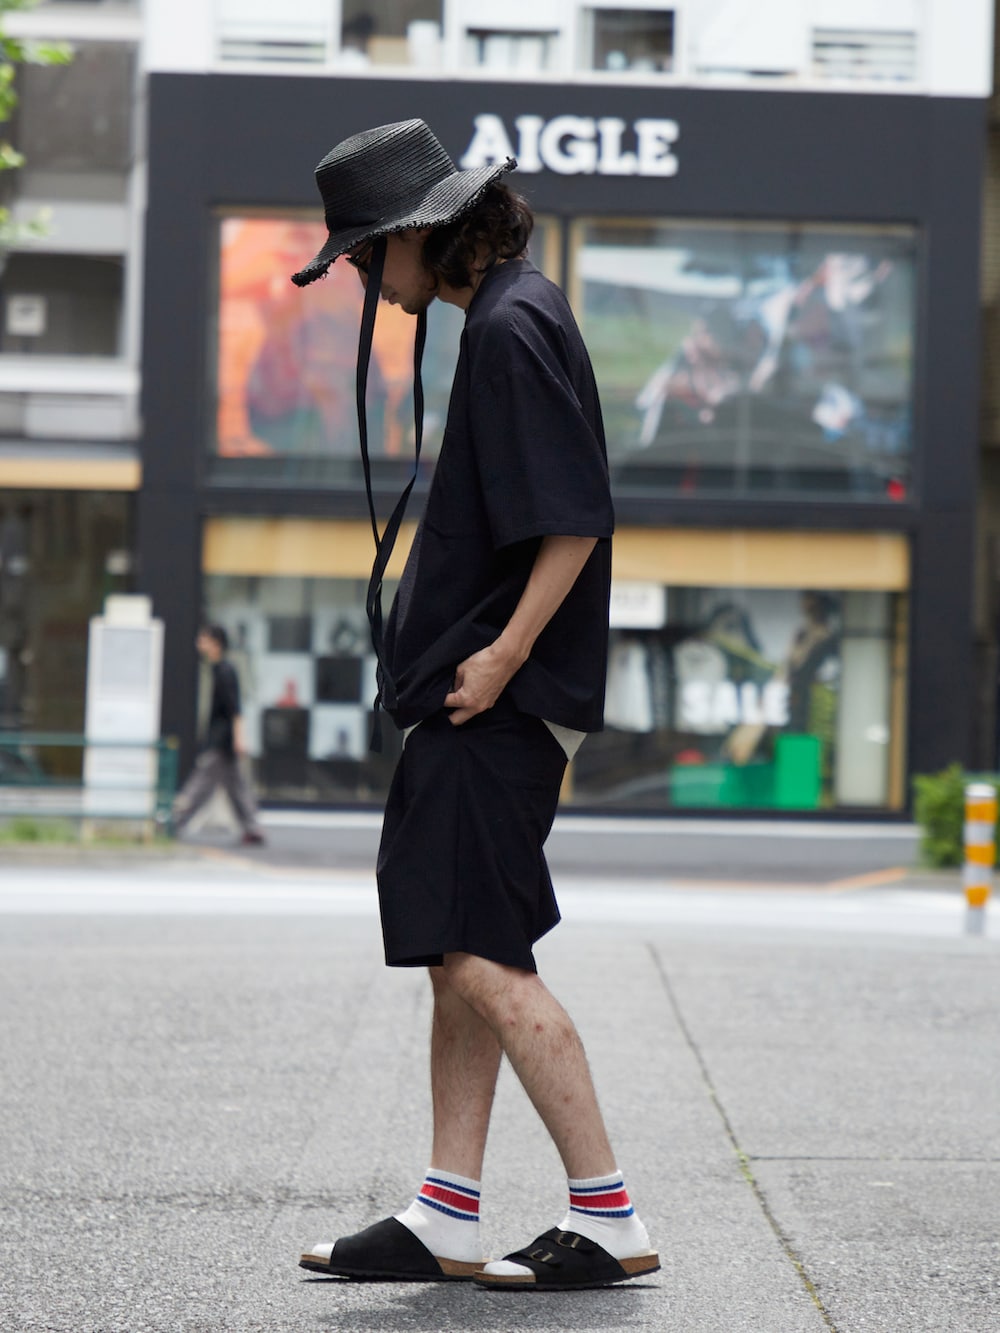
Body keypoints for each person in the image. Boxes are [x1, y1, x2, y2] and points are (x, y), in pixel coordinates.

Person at [291, 119, 658, 1292]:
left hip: (496, 699)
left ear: (416, 234)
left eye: (361, 254)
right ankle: (448, 1209)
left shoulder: (511, 326)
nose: (361, 277)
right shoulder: (508, 317)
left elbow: (574, 517)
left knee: (485, 958)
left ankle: (608, 1214)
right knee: (463, 948)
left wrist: (498, 658)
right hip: (482, 696)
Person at [171, 624, 265, 846]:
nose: (198, 644)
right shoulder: (218, 669)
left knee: (201, 782)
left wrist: (239, 737)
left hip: (222, 740)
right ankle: (252, 827)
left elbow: (235, 708)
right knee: (235, 786)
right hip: (224, 740)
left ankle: (174, 822)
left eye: (203, 640)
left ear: (215, 643)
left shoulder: (225, 671)